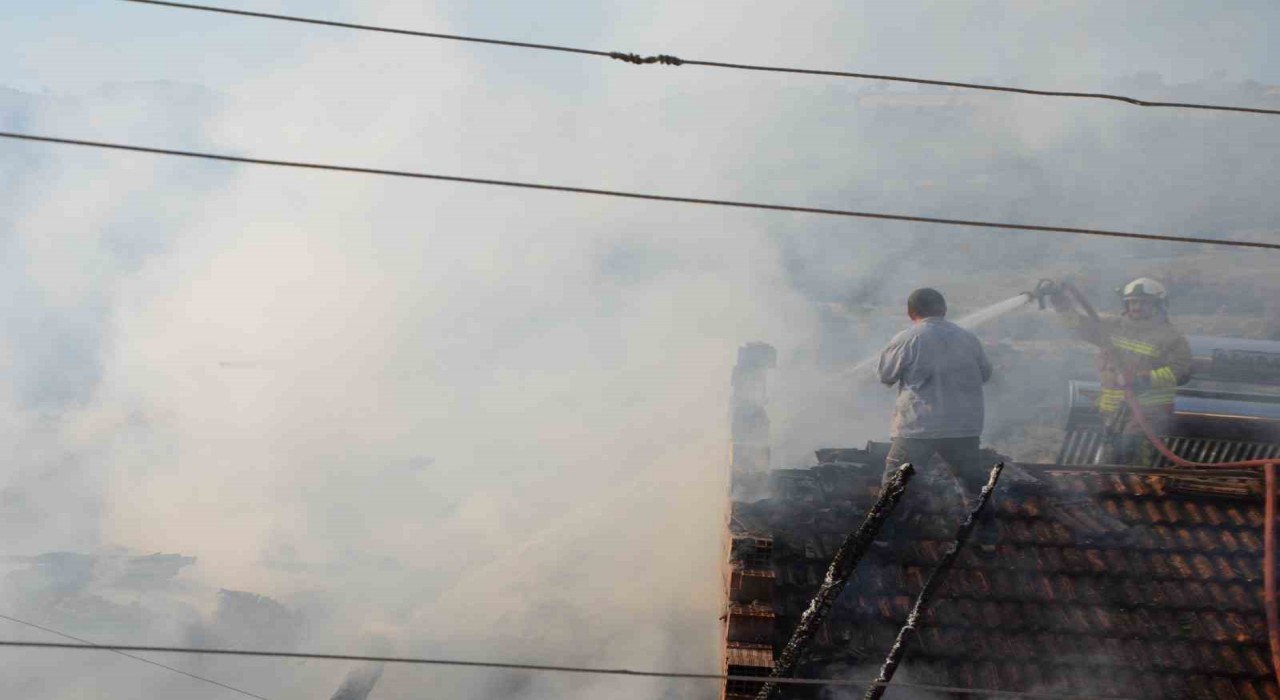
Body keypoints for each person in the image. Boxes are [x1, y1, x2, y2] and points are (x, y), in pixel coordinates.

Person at [878, 288, 997, 547]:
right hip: (963, 428)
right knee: (973, 484)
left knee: (895, 484)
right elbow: (985, 375)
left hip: (918, 427)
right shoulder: (968, 338)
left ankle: (883, 540)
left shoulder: (906, 338)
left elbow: (886, 376)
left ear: (911, 313)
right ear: (943, 310)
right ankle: (987, 540)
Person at [1050, 277, 1191, 465]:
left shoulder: (1170, 337)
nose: (1136, 307)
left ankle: (1140, 490)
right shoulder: (1114, 326)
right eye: (1132, 302)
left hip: (1147, 410)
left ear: (1158, 305)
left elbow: (1181, 371)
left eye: (1143, 303)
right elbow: (1078, 326)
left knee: (1133, 454)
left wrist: (1143, 379)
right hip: (1113, 407)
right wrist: (1063, 307)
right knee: (1108, 460)